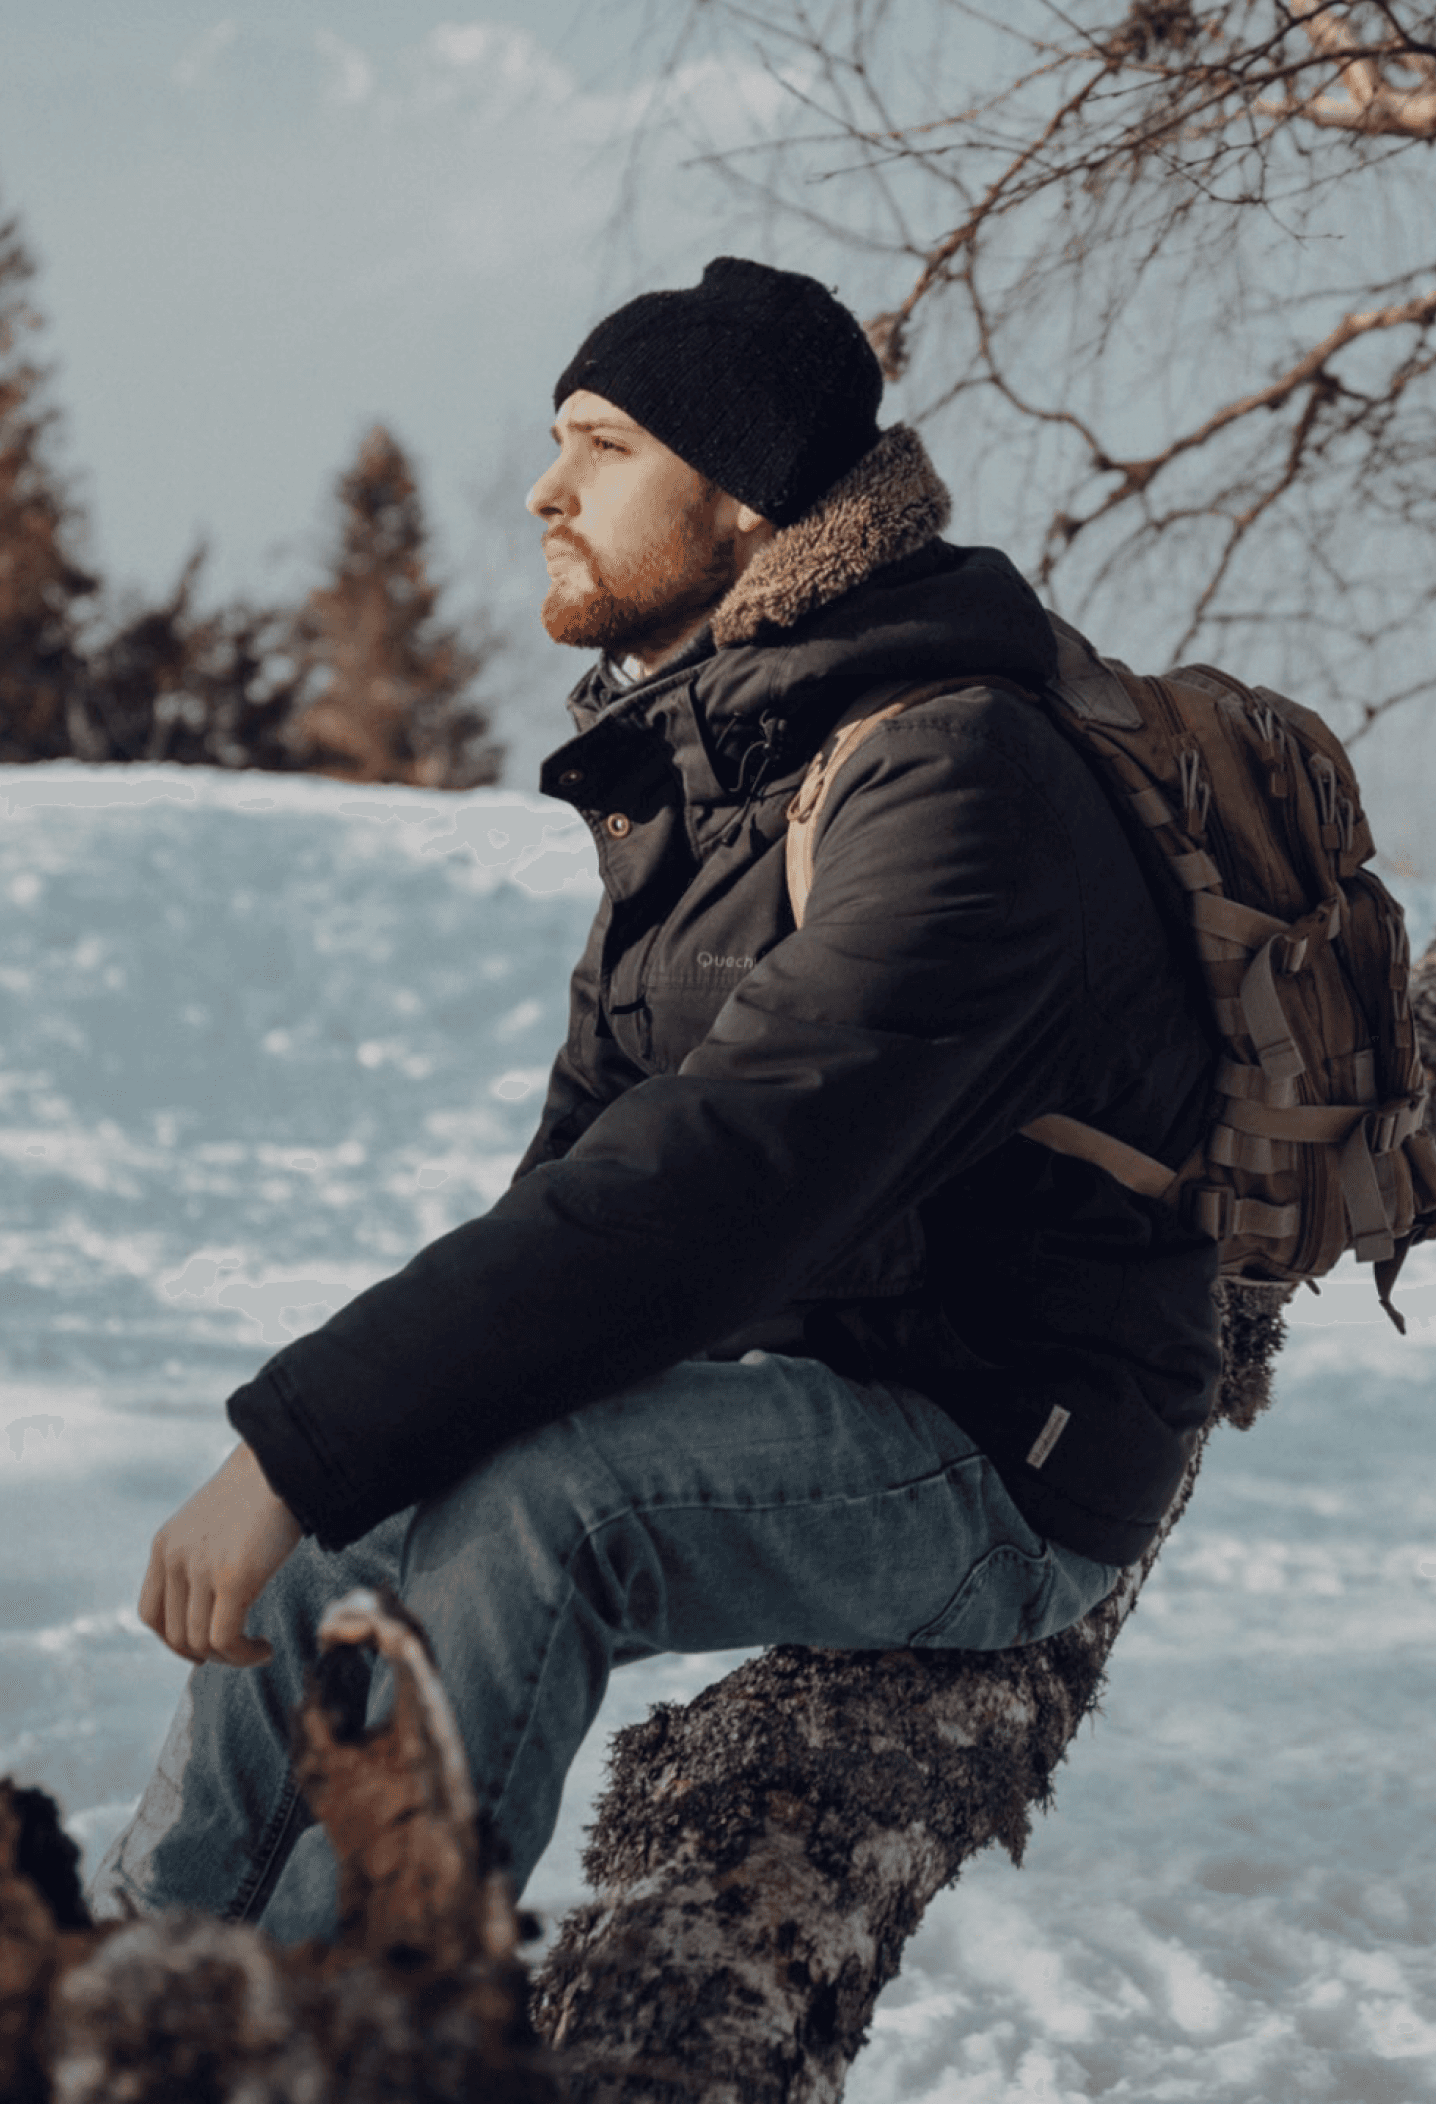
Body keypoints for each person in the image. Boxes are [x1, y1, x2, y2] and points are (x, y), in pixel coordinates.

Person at [88, 257, 1220, 1942]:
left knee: (542, 1513)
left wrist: (284, 1439)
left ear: (747, 499)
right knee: (379, 1491)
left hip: (1005, 1451)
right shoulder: (715, 766)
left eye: (601, 446)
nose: (544, 488)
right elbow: (580, 1185)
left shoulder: (949, 772)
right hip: (813, 1364)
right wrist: (339, 1448)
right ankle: (148, 1983)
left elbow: (713, 1186)